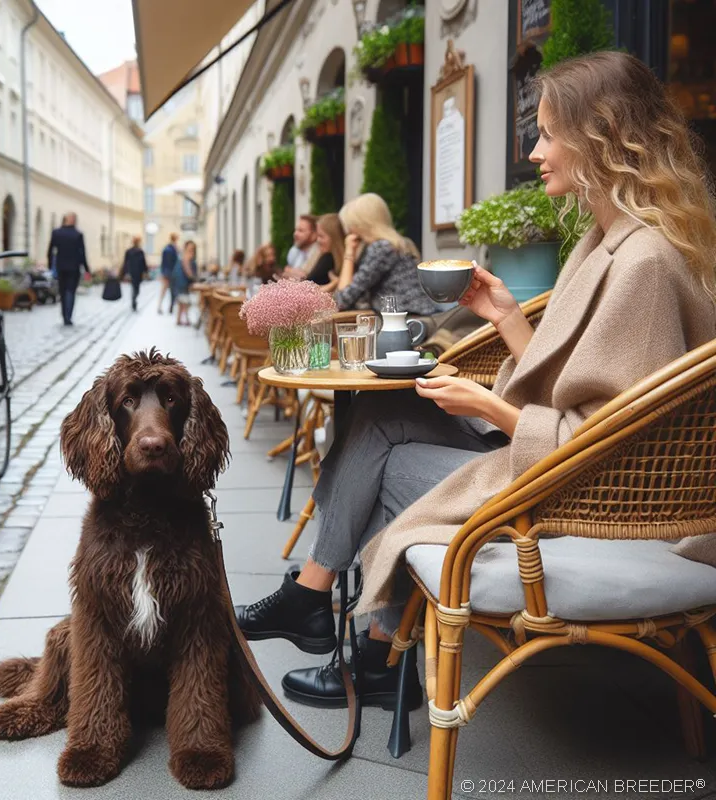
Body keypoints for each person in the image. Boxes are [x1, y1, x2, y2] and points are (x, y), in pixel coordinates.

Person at [236, 52, 716, 710]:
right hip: (565, 474)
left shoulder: (643, 262)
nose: (535, 149)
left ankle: (347, 628)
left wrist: (490, 404)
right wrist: (511, 320)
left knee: (387, 450)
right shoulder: (610, 242)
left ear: (598, 136)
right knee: (383, 419)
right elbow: (585, 382)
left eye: (547, 133)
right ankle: (345, 625)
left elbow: (617, 447)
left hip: (589, 507)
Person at [334, 194, 437, 316]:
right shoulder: (397, 243)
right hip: (411, 317)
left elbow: (343, 300)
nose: (349, 230)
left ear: (361, 224)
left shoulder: (382, 248)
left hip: (406, 321)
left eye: (351, 225)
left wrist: (349, 252)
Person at [46, 212, 89, 326]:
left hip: (61, 266)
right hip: (74, 267)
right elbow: (82, 253)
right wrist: (86, 268)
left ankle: (65, 315)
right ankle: (68, 316)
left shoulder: (56, 233)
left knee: (63, 291)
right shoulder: (78, 234)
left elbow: (50, 250)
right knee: (70, 291)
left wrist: (50, 265)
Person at [306, 213, 345, 287]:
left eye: (321, 236)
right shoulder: (326, 256)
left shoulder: (328, 259)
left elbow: (309, 289)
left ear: (334, 238)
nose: (317, 240)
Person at [120, 236, 148, 311]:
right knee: (136, 288)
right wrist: (146, 271)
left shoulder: (138, 251)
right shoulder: (132, 251)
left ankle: (134, 299)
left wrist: (123, 272)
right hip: (136, 272)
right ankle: (134, 301)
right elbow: (126, 262)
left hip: (135, 272)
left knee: (135, 287)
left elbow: (143, 263)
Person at [174, 240, 197, 326]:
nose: (192, 249)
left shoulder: (183, 255)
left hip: (180, 281)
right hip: (183, 281)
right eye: (190, 247)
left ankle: (179, 319)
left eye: (193, 248)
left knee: (181, 302)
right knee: (185, 301)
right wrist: (193, 278)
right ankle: (186, 319)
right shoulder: (187, 256)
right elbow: (187, 268)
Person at [158, 233, 179, 314]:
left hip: (167, 272)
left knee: (167, 290)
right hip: (170, 272)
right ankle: (168, 306)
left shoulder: (168, 248)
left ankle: (166, 306)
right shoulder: (171, 249)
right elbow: (171, 262)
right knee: (170, 290)